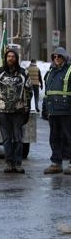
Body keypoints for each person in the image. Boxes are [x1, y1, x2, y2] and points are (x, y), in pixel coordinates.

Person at [0, 49, 32, 173]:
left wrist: (27, 109)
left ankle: (18, 164)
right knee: (7, 139)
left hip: (18, 112)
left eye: (13, 56)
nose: (11, 58)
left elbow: (28, 92)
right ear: (5, 58)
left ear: (16, 58)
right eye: (9, 56)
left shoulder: (23, 73)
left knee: (18, 139)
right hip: (3, 113)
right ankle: (9, 163)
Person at [41, 47, 71, 175]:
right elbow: (47, 93)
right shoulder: (50, 72)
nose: (56, 59)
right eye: (54, 56)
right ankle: (56, 163)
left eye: (59, 56)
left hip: (67, 111)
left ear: (64, 57)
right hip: (53, 111)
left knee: (69, 137)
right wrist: (44, 109)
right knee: (54, 138)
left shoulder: (69, 70)